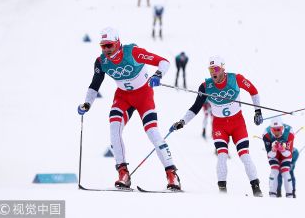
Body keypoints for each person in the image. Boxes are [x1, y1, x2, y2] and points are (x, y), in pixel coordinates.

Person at [77, 27, 181, 190]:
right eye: (103, 46)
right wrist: (87, 103)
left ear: (118, 43)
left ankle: (172, 175)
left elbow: (164, 62)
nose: (106, 50)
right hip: (123, 97)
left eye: (109, 45)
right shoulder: (101, 62)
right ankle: (123, 173)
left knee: (153, 133)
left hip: (144, 96)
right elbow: (95, 84)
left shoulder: (133, 52)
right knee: (114, 129)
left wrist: (158, 75)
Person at [170, 56, 264, 197]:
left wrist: (258, 111)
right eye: (210, 69)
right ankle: (222, 191)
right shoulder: (205, 86)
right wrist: (182, 121)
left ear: (223, 69)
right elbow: (196, 107)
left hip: (237, 123)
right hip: (219, 126)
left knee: (244, 155)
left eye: (216, 69)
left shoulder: (236, 79)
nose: (213, 72)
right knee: (222, 155)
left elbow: (254, 91)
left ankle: (256, 188)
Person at [262, 118, 295, 198]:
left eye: (278, 129)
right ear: (271, 129)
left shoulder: (289, 132)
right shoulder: (266, 134)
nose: (276, 132)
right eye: (274, 130)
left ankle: (290, 195)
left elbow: (288, 154)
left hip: (285, 154)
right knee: (274, 171)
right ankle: (272, 194)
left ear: (282, 128)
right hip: (274, 154)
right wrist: (273, 150)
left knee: (285, 172)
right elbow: (269, 154)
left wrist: (283, 150)